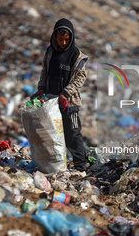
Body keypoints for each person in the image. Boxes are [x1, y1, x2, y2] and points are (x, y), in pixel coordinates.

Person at [30, 18, 89, 171]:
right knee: (52, 135)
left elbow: (80, 78)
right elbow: (45, 71)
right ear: (54, 37)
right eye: (60, 39)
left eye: (66, 40)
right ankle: (54, 166)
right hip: (50, 102)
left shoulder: (76, 55)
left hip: (69, 104)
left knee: (73, 135)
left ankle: (80, 167)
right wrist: (41, 88)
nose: (63, 43)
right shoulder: (50, 52)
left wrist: (66, 93)